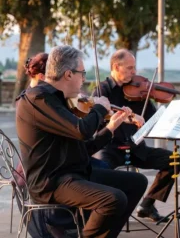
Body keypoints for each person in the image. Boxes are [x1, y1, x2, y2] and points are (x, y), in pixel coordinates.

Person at [16, 45, 148, 238]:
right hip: (51, 182)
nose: (84, 79)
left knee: (136, 182)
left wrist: (110, 128)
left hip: (72, 172)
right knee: (113, 199)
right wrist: (100, 109)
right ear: (69, 74)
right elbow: (82, 131)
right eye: (82, 73)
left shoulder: (62, 100)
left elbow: (82, 148)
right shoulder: (38, 99)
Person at [92, 49, 180, 222]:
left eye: (134, 68)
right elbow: (98, 116)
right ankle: (101, 215)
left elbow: (155, 119)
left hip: (136, 148)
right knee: (100, 172)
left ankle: (147, 205)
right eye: (130, 68)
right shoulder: (102, 90)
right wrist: (127, 117)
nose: (134, 72)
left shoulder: (140, 92)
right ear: (116, 67)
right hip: (111, 148)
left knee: (174, 160)